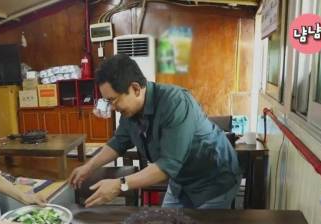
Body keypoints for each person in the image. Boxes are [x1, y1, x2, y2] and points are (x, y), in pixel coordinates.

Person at [69, 54, 241, 209]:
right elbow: (118, 143)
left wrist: (119, 185)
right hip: (180, 181)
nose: (112, 108)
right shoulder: (129, 112)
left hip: (213, 179)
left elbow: (167, 165)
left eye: (113, 100)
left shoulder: (175, 103)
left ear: (135, 88)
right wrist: (88, 167)